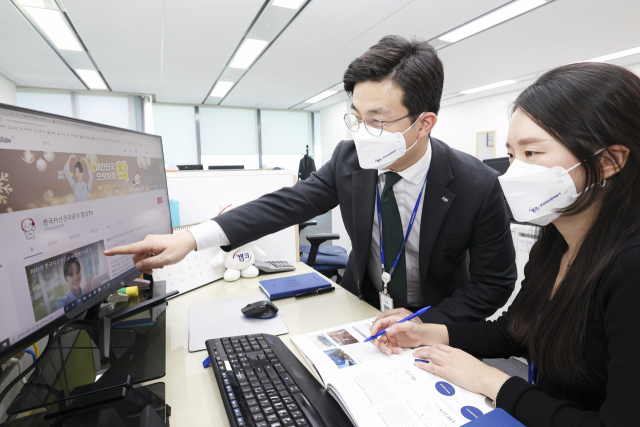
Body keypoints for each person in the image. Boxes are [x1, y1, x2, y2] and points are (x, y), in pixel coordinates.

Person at [105, 36, 517, 323]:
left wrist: (425, 322)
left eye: (377, 120)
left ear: (424, 123)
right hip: (363, 309)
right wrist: (192, 239)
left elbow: (494, 284)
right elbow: (285, 204)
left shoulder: (476, 185)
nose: (362, 133)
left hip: (438, 321)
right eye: (356, 117)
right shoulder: (350, 160)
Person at [369, 62, 640, 426]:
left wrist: (490, 381)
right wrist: (425, 332)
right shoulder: (554, 242)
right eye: (512, 155)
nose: (514, 173)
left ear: (609, 161)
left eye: (532, 153)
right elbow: (517, 331)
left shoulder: (630, 267)